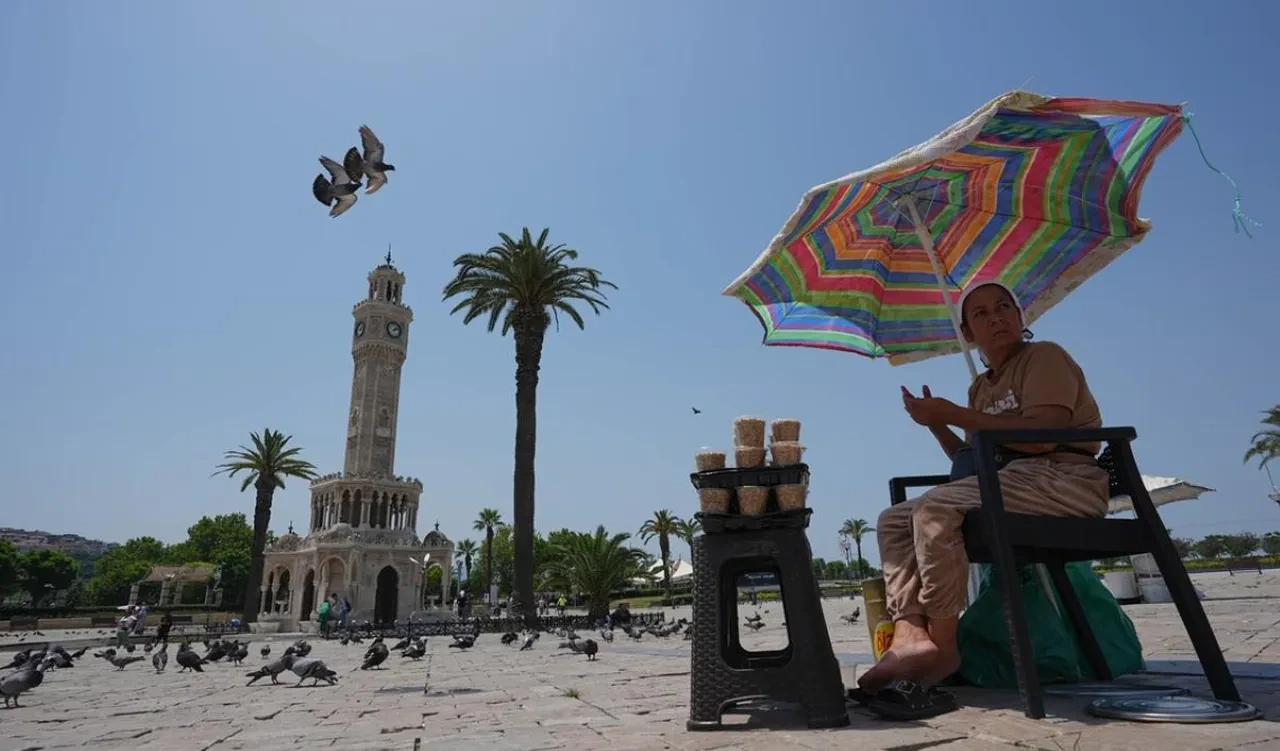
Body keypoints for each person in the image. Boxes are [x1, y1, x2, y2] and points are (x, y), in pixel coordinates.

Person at [857, 280, 1111, 701]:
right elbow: (972, 456)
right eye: (980, 314)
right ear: (968, 335)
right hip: (1010, 482)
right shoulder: (982, 388)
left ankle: (943, 649)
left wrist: (957, 413)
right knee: (895, 519)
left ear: (1019, 317)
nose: (995, 317)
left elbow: (1043, 437)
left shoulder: (1044, 357)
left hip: (1063, 480)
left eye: (1004, 307)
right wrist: (937, 422)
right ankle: (909, 634)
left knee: (935, 508)